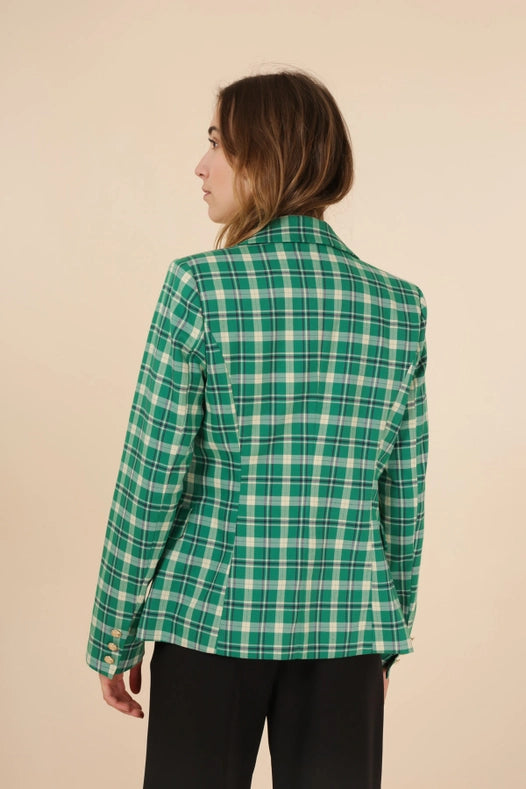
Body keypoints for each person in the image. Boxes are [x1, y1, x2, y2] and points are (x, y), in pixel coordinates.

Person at [86, 69, 429, 789]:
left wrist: (114, 630)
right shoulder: (400, 306)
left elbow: (151, 475)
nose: (201, 165)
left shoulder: (200, 286)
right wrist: (387, 637)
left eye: (218, 143)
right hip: (347, 630)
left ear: (268, 157)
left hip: (208, 623)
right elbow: (402, 494)